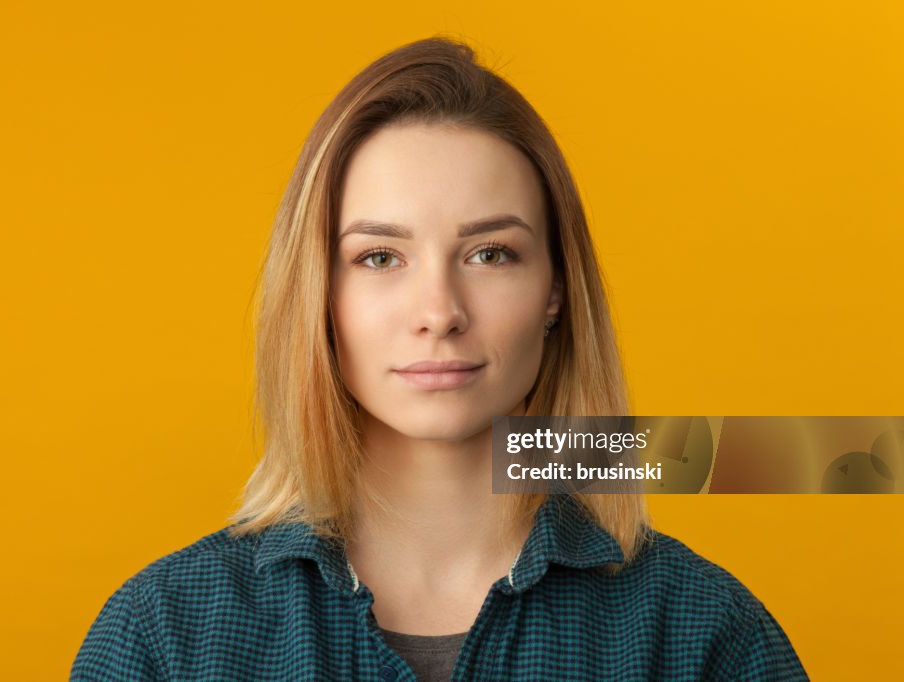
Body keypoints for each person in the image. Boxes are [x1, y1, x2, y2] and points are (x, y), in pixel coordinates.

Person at [70, 36, 809, 681]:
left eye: (490, 253)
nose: (439, 313)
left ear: (556, 291)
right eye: (379, 256)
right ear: (317, 298)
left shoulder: (706, 635)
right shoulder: (161, 636)